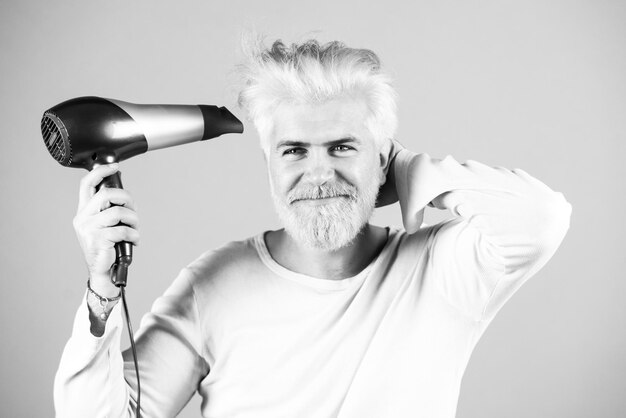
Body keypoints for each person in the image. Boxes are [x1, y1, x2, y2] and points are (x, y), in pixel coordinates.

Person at [54, 39, 572, 418]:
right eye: (294, 150)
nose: (319, 173)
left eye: (343, 147)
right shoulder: (214, 284)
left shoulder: (441, 272)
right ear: (269, 164)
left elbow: (539, 217)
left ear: (383, 157)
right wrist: (102, 293)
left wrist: (411, 170)